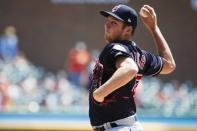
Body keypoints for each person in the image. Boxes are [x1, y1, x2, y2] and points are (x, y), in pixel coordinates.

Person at [89, 4, 176, 131]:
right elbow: (169, 65)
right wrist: (154, 29)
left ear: (128, 30)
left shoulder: (114, 48)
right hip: (127, 125)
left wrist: (99, 94)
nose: (107, 25)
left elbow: (130, 69)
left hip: (116, 127)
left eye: (114, 23)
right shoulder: (140, 55)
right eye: (107, 21)